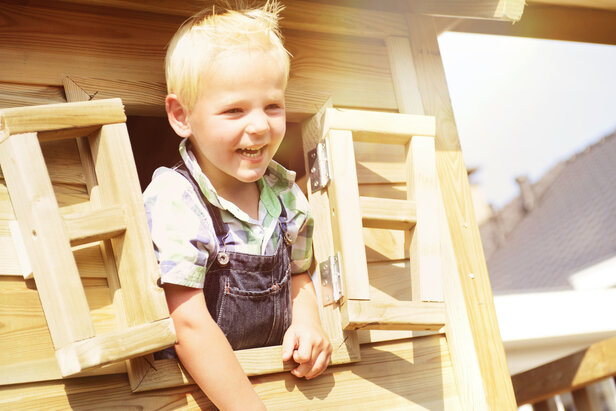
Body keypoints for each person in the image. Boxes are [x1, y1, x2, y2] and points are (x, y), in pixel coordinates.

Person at [143, 1, 332, 408]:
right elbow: (188, 322)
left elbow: (298, 272)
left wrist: (308, 318)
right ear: (181, 116)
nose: (261, 125)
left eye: (273, 106)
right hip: (200, 397)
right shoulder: (177, 199)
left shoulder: (285, 195)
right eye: (234, 110)